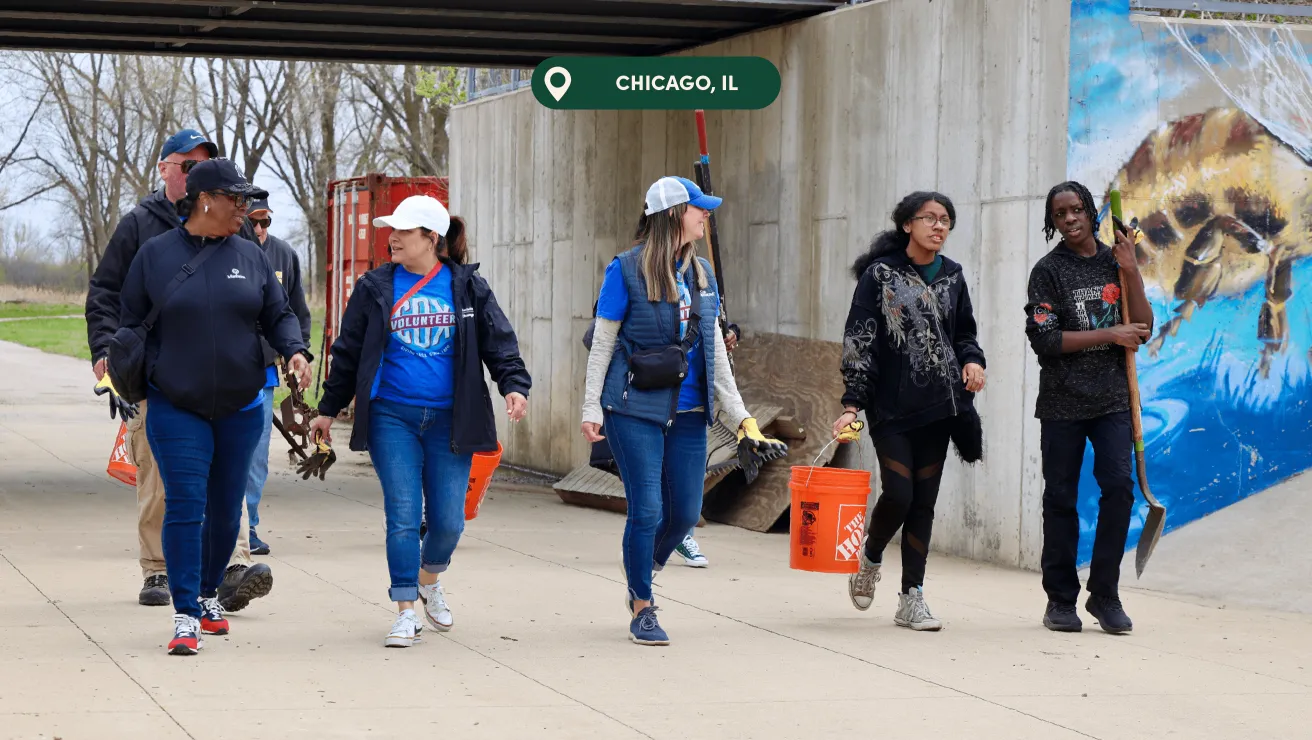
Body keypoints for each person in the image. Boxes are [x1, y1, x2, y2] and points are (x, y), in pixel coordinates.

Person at [308, 195, 531, 648]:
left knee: (449, 521)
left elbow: (499, 340)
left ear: (432, 238)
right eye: (391, 230)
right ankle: (405, 609)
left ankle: (429, 579)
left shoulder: (467, 287)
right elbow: (348, 353)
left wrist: (514, 384)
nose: (392, 238)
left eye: (404, 231)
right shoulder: (374, 288)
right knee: (404, 515)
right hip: (394, 416)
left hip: (452, 419)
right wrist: (328, 408)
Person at [580, 176, 785, 646]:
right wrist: (591, 406)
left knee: (685, 514)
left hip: (692, 411)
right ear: (674, 213)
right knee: (648, 509)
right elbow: (603, 343)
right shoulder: (625, 269)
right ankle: (642, 606)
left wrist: (743, 419)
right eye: (699, 209)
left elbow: (714, 352)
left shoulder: (703, 274)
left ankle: (641, 570)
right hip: (633, 406)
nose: (706, 215)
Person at [118, 158, 311, 655]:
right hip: (175, 403)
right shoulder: (155, 256)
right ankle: (185, 613)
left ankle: (207, 595)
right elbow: (129, 322)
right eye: (237, 200)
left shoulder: (250, 258)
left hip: (241, 405)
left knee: (228, 511)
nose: (245, 211)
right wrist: (128, 370)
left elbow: (279, 312)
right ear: (206, 199)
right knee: (185, 504)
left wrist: (294, 350)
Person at [85, 129, 274, 610]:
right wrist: (109, 354)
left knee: (227, 480)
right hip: (158, 380)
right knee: (159, 475)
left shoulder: (235, 229)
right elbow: (107, 294)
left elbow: (265, 298)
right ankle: (157, 571)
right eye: (185, 164)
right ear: (165, 170)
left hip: (227, 383)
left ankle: (227, 568)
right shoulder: (140, 227)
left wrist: (274, 351)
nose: (192, 172)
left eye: (201, 165)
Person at [833, 191, 986, 632]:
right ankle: (871, 556)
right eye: (929, 219)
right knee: (899, 494)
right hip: (891, 408)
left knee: (924, 503)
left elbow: (965, 335)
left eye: (945, 221)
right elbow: (859, 340)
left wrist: (973, 361)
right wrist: (852, 403)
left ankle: (911, 597)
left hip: (940, 408)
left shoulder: (953, 276)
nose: (938, 226)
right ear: (907, 225)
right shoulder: (879, 276)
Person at [1025, 181, 1152, 634]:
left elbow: (1143, 328)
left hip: (1114, 402)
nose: (1071, 219)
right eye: (1060, 214)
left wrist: (1132, 271)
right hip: (1062, 404)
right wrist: (1108, 335)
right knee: (1060, 498)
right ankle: (1060, 599)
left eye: (1077, 209)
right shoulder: (1048, 271)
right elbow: (1046, 339)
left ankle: (1105, 595)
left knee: (1119, 488)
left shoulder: (1115, 260)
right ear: (1053, 222)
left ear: (1092, 211)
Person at [242, 198, 312, 556]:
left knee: (255, 456)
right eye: (252, 222)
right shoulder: (224, 252)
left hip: (265, 372)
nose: (259, 230)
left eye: (265, 223)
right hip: (223, 370)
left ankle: (248, 526)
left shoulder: (284, 255)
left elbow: (296, 311)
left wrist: (298, 352)